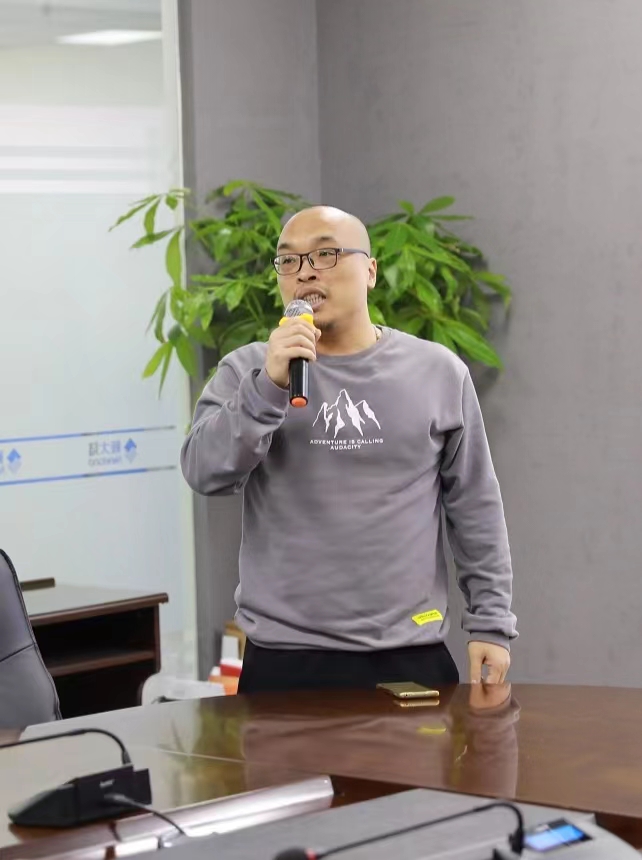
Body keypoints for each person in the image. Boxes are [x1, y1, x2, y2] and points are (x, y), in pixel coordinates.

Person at [180, 205, 517, 693]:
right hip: (283, 657)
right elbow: (204, 471)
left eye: (326, 254)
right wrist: (269, 387)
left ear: (371, 271)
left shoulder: (438, 371)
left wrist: (491, 623)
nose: (305, 272)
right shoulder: (247, 370)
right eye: (289, 260)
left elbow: (475, 504)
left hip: (410, 652)